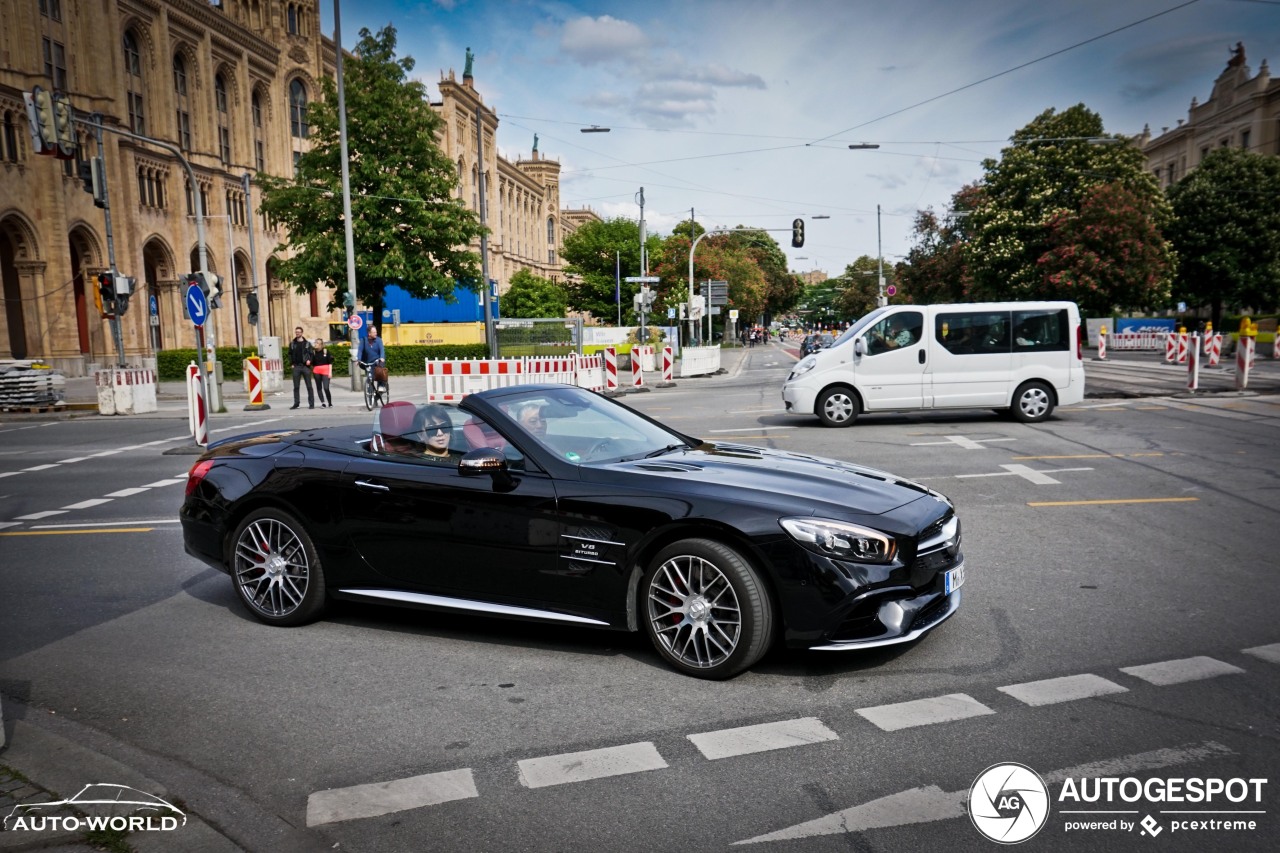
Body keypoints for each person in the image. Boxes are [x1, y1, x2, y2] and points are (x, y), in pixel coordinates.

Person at [288, 326, 314, 409]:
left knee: (309, 386)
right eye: (296, 332)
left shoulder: (307, 344)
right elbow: (289, 354)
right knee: (296, 386)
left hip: (305, 367)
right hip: (296, 367)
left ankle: (311, 404)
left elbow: (311, 354)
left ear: (302, 333)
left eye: (299, 332)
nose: (297, 333)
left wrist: (309, 360)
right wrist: (291, 363)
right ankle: (296, 403)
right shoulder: (292, 343)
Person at [358, 325, 386, 390]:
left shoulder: (379, 340)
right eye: (374, 332)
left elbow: (382, 349)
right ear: (369, 333)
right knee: (370, 376)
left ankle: (381, 385)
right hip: (368, 362)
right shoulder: (363, 340)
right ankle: (370, 393)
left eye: (376, 332)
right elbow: (360, 350)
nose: (376, 333)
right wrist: (358, 359)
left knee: (379, 371)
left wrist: (382, 357)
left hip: (377, 360)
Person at [311, 339, 333, 407]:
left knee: (326, 388)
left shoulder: (325, 351)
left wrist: (330, 372)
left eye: (317, 343)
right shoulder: (313, 352)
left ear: (321, 345)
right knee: (319, 387)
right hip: (316, 370)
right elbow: (312, 363)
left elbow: (330, 363)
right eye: (315, 342)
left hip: (325, 370)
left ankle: (330, 402)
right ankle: (323, 403)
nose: (315, 344)